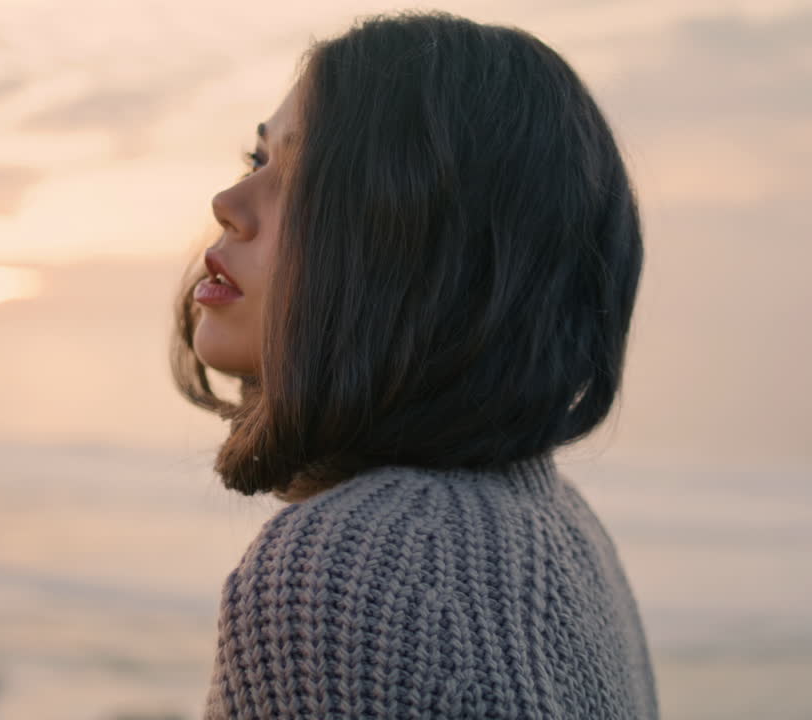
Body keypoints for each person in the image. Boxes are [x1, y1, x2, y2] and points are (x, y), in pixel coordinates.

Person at [171, 10, 657, 719]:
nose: (228, 204)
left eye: (307, 178)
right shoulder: (563, 529)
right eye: (259, 161)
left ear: (424, 251)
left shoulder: (340, 576)